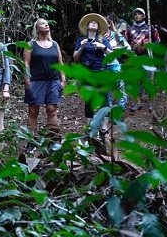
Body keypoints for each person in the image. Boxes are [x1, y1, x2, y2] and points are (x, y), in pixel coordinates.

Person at [23, 18, 65, 149]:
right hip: (36, 81)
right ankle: (32, 142)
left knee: (52, 110)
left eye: (47, 23)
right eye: (42, 23)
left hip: (53, 81)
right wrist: (27, 81)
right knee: (33, 111)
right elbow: (26, 64)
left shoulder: (55, 44)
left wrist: (63, 79)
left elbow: (60, 63)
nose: (46, 24)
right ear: (37, 28)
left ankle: (52, 140)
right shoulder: (30, 44)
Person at [73, 13, 114, 135]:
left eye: (95, 23)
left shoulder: (103, 40)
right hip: (87, 74)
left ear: (98, 28)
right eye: (91, 22)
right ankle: (90, 127)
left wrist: (103, 47)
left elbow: (112, 56)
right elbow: (75, 58)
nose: (93, 23)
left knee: (104, 100)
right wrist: (82, 47)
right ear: (87, 27)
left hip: (101, 72)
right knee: (89, 101)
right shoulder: (81, 40)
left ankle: (104, 127)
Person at [126, 7, 160, 111]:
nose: (137, 15)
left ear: (144, 16)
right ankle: (138, 103)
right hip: (135, 57)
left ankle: (151, 103)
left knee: (149, 80)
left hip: (147, 57)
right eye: (135, 14)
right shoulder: (129, 30)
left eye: (139, 14)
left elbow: (158, 41)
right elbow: (125, 43)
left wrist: (150, 45)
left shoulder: (150, 28)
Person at [104, 12, 131, 109]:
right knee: (107, 91)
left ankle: (120, 110)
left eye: (105, 23)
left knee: (120, 89)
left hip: (116, 64)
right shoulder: (97, 37)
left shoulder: (116, 35)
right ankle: (109, 111)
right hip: (103, 66)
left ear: (108, 24)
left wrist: (117, 49)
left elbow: (128, 48)